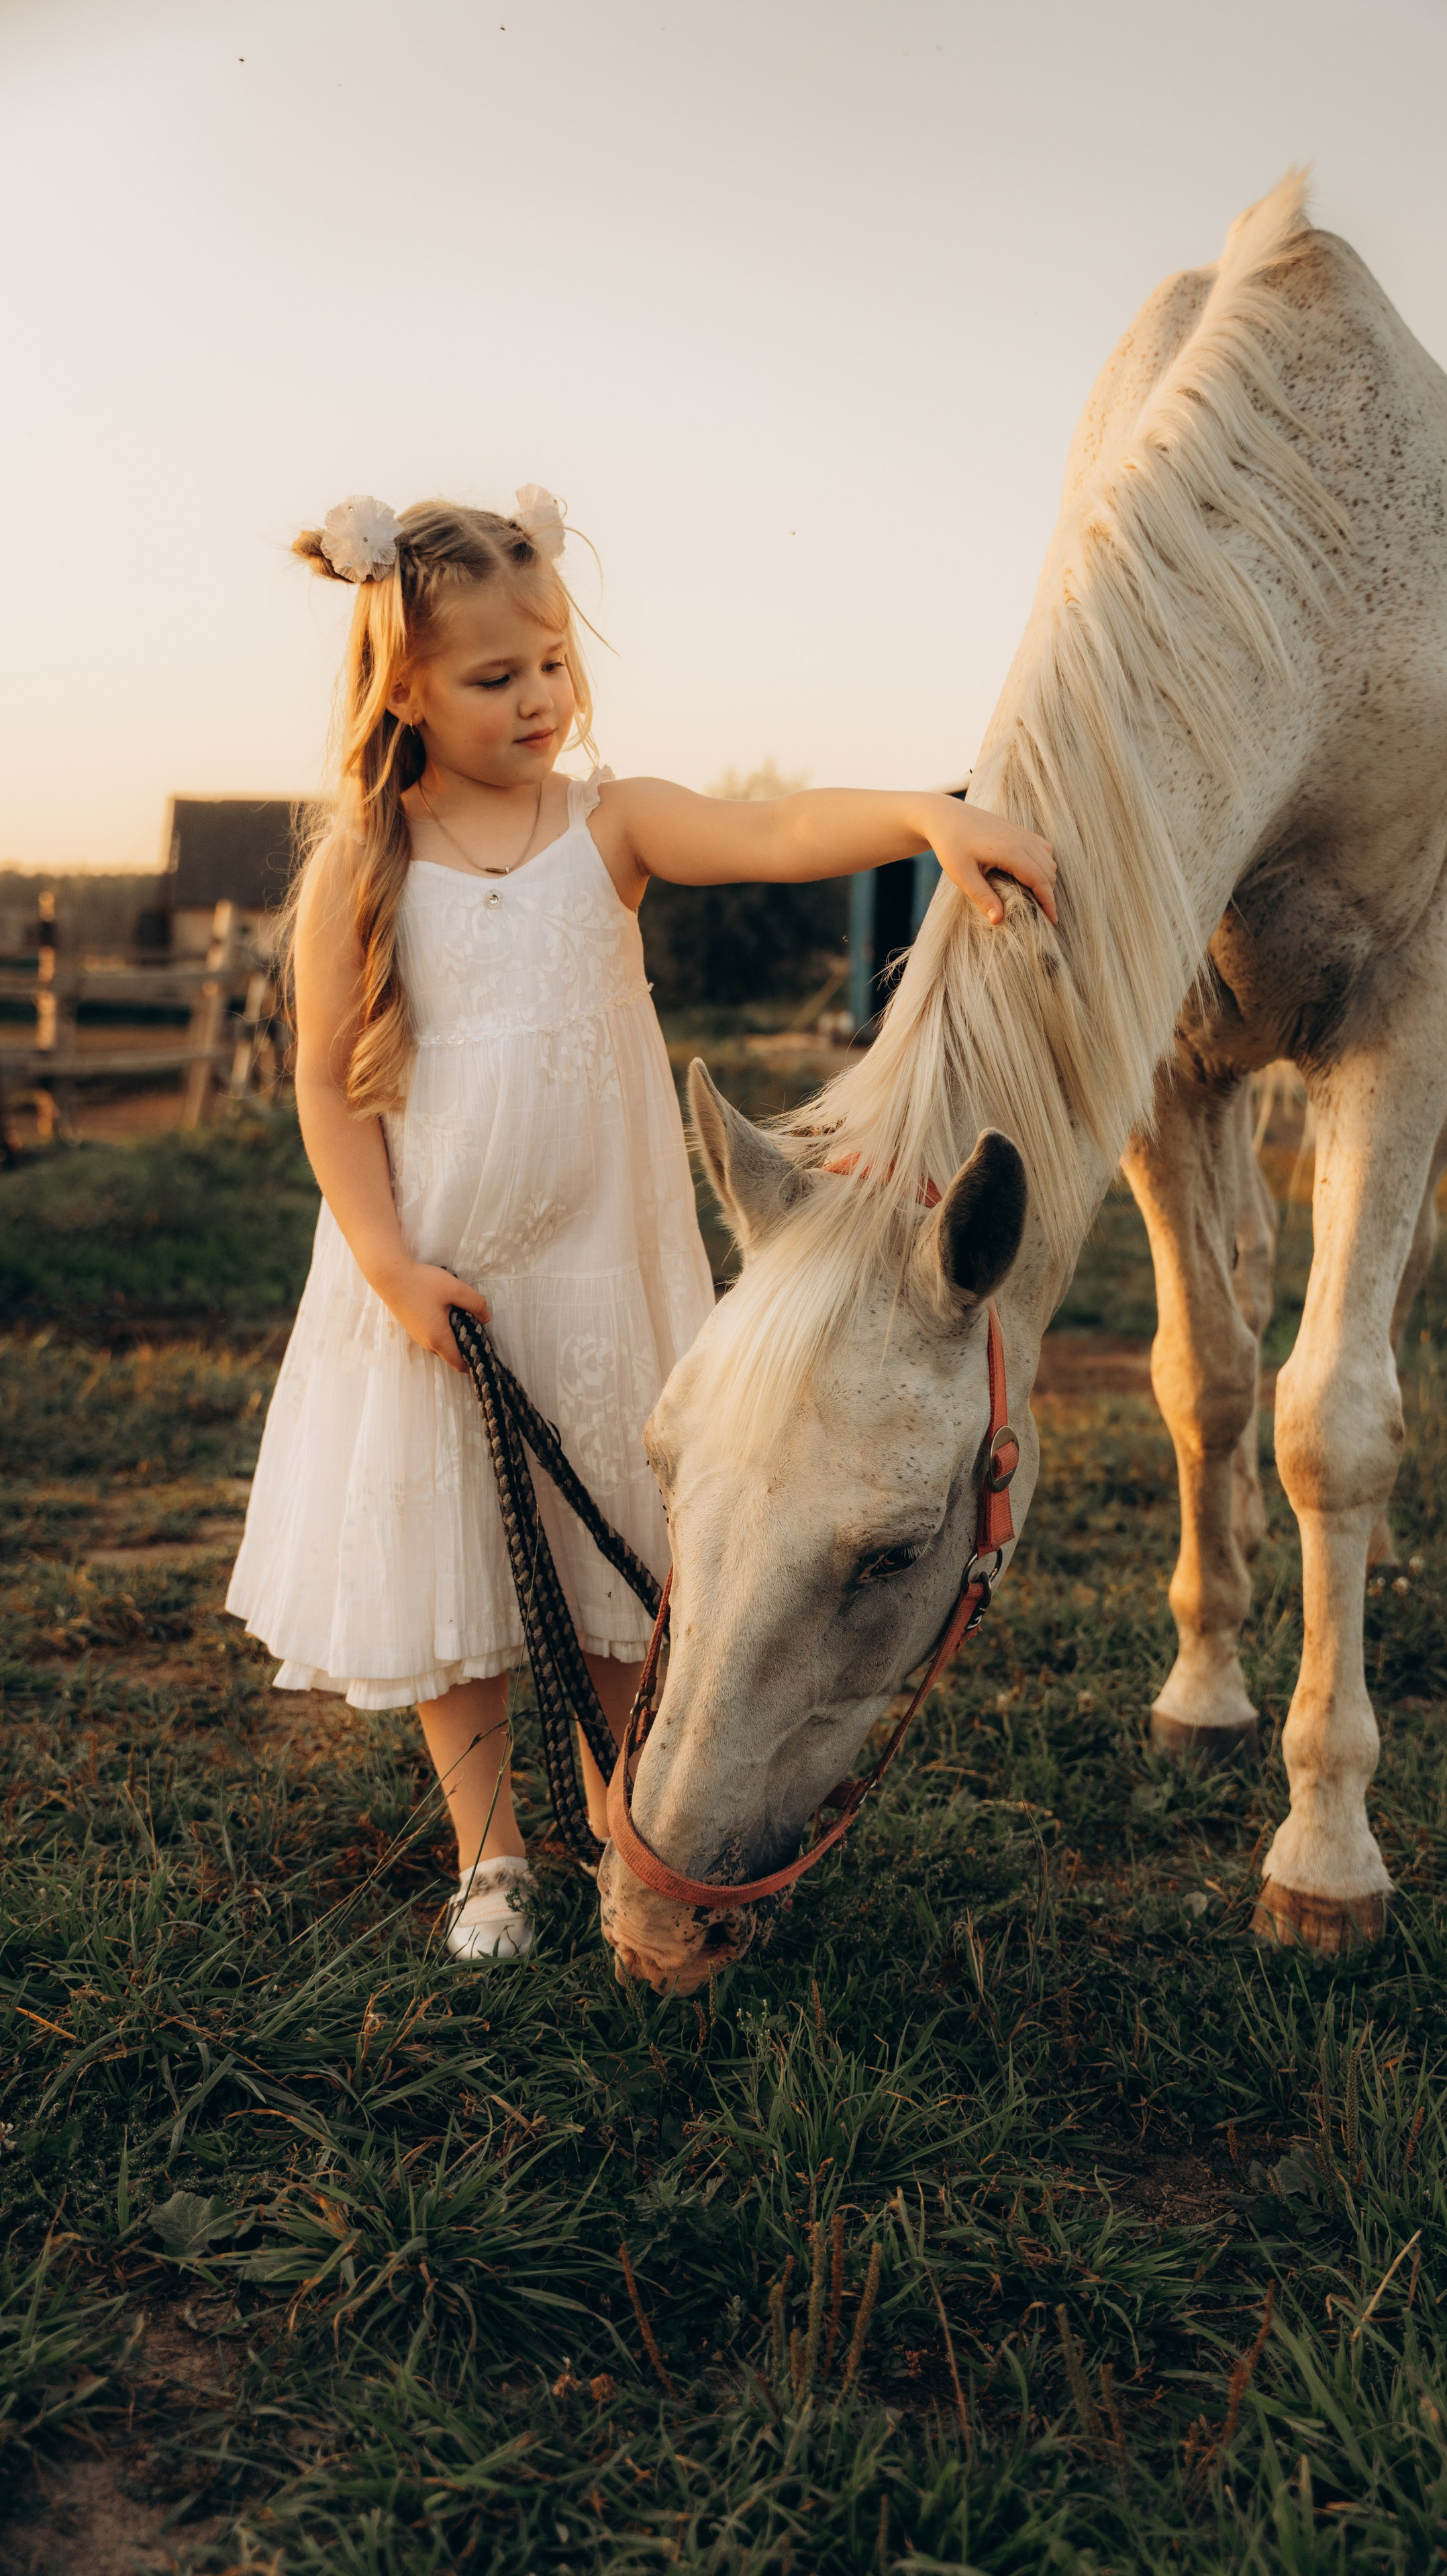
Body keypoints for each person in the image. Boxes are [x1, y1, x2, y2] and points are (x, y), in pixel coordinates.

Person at [226, 488, 1056, 1961]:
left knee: (623, 1573)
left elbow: (773, 824)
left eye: (552, 660)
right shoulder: (365, 859)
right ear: (402, 686)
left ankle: (630, 1810)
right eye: (496, 677)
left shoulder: (604, 825)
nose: (539, 696)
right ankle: (490, 1856)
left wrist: (925, 817)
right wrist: (384, 1260)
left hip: (600, 1272)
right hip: (446, 1282)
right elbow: (325, 1085)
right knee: (455, 1582)